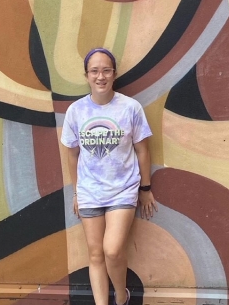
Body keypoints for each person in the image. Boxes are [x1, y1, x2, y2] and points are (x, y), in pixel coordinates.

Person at [61, 48, 158, 305]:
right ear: (87, 75)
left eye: (106, 70)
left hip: (123, 189)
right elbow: (72, 155)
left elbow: (142, 149)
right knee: (95, 255)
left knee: (112, 251)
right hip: (90, 191)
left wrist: (145, 188)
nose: (100, 76)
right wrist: (77, 191)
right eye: (94, 71)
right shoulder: (76, 111)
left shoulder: (130, 108)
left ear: (114, 74)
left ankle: (120, 293)